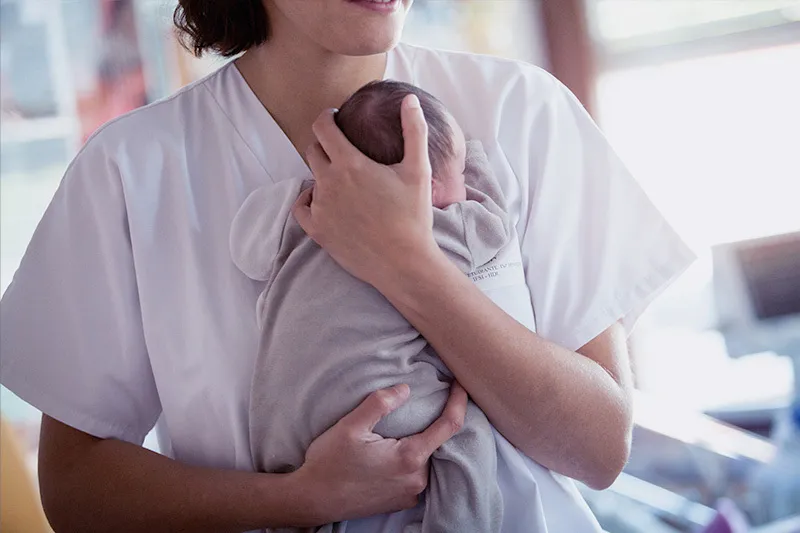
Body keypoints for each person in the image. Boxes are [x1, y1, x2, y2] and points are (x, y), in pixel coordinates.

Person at [0, 1, 695, 532]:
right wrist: (299, 496)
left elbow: (601, 447)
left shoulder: (521, 110)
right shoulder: (131, 171)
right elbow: (74, 483)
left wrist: (410, 266)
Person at [239, 80, 509, 533]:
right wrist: (475, 162)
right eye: (458, 175)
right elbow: (495, 227)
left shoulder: (308, 214)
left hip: (278, 427)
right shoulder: (439, 227)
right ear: (433, 186)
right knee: (468, 430)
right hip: (379, 406)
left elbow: (242, 249)